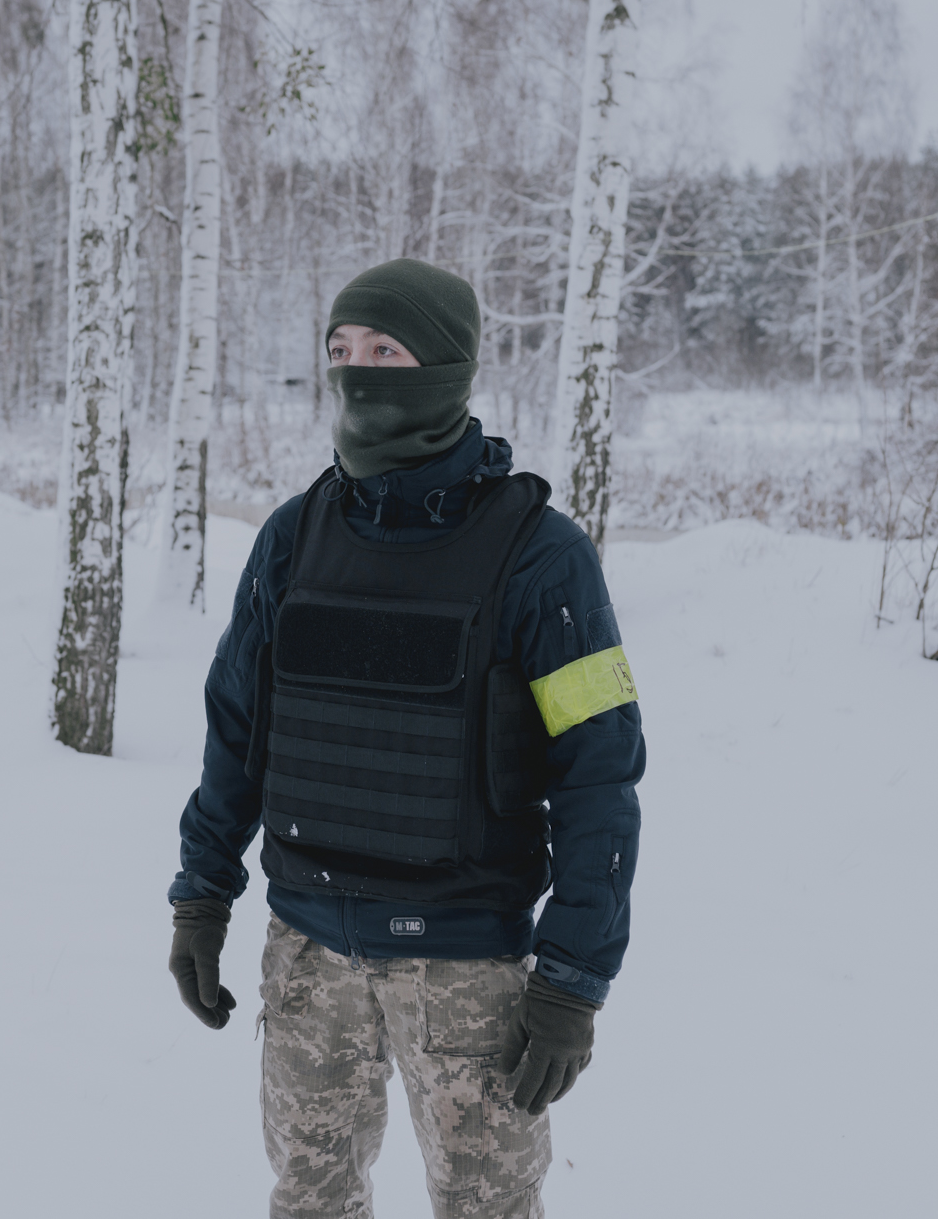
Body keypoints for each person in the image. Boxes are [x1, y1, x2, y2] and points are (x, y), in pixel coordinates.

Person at [167, 258, 645, 1219]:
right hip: (308, 953)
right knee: (309, 1202)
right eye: (340, 349)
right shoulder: (293, 537)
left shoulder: (544, 555)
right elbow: (237, 731)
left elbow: (599, 776)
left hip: (465, 970)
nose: (357, 371)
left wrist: (574, 978)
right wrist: (202, 895)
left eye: (385, 350)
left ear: (449, 367)